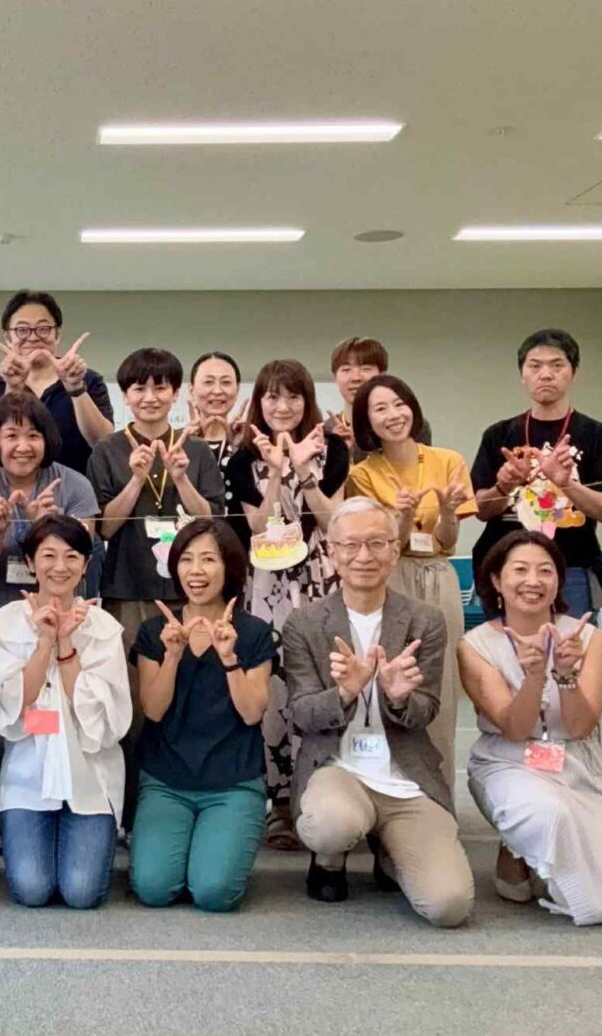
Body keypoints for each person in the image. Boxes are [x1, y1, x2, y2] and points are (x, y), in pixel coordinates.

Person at [282, 498, 473, 927]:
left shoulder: (425, 620)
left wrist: (399, 698)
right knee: (330, 824)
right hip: (337, 768)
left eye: (376, 543)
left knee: (448, 906)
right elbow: (300, 714)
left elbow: (427, 710)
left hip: (404, 775)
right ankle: (329, 860)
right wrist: (345, 693)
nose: (364, 556)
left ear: (394, 550)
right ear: (332, 552)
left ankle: (390, 850)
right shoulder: (305, 623)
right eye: (351, 545)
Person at [458, 530, 602, 926]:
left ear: (559, 580)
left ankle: (534, 855)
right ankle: (519, 845)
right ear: (496, 580)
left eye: (545, 571)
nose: (533, 581)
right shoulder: (474, 645)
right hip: (508, 760)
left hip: (573, 763)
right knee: (548, 814)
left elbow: (579, 726)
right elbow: (514, 727)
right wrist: (534, 676)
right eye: (520, 570)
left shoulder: (590, 639)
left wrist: (565, 674)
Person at [0, 393, 99, 846]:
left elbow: (74, 561)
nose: (22, 445)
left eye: (33, 434)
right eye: (11, 434)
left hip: (56, 619)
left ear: (47, 439)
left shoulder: (73, 485)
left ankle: (51, 810)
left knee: (48, 713)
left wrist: (41, 529)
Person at [223, 358, 350, 849]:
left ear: (307, 401)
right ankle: (278, 804)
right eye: (273, 396)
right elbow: (259, 527)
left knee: (320, 679)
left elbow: (332, 521)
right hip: (266, 583)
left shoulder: (332, 449)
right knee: (272, 686)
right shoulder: (242, 458)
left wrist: (303, 470)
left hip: (320, 579)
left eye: (293, 396)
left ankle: (319, 795)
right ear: (259, 401)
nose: (283, 405)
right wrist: (276, 473)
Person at [0, 515, 130, 908]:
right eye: (48, 555)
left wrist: (66, 646)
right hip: (27, 776)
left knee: (82, 892)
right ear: (31, 562)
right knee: (32, 890)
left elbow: (103, 723)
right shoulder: (4, 623)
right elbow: (11, 710)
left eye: (71, 556)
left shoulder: (104, 627)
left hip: (91, 778)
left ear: (86, 564)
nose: (59, 566)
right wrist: (44, 641)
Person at [129, 519, 276, 911]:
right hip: (166, 781)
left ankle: (215, 848)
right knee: (153, 889)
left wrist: (229, 658)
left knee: (214, 893)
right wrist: (172, 656)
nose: (196, 571)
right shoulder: (155, 631)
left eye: (209, 559)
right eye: (186, 559)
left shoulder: (253, 632)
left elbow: (252, 713)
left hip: (233, 783)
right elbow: (153, 710)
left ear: (229, 567)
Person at [344, 374, 474, 789]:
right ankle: (385, 787)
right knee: (387, 673)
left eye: (399, 404)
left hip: (438, 572)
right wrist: (401, 517)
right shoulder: (362, 474)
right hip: (391, 576)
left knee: (441, 679)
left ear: (413, 407)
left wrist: (447, 511)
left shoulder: (448, 460)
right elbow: (385, 546)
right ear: (367, 421)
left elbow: (448, 541)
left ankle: (439, 790)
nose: (393, 415)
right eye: (380, 409)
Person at [469, 329, 602, 620]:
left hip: (572, 567)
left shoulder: (597, 435)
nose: (546, 374)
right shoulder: (498, 434)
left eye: (557, 365)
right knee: (504, 647)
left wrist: (566, 484)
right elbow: (480, 510)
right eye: (535, 366)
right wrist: (503, 486)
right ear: (522, 375)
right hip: (504, 566)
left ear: (574, 372)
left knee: (569, 646)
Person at [89, 347, 224, 666]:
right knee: (133, 679)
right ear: (125, 396)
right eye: (139, 388)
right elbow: (104, 528)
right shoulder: (107, 449)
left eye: (160, 388)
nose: (150, 397)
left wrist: (181, 479)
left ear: (175, 394)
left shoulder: (196, 449)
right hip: (127, 586)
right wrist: (136, 480)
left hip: (190, 586)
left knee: (190, 675)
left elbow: (212, 521)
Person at [0, 290, 113, 474]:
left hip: (78, 489)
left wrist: (75, 388)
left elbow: (105, 445)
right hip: (17, 489)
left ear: (57, 334)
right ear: (8, 338)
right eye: (22, 330)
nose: (33, 337)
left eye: (43, 328)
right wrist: (14, 387)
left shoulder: (89, 380)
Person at [327, 336, 430, 458]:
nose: (356, 377)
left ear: (382, 375)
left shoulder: (405, 423)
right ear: (334, 377)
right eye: (346, 369)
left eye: (366, 368)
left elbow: (420, 466)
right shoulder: (326, 431)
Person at [185, 351, 249, 544]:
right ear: (191, 389)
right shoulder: (177, 444)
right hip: (190, 546)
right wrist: (192, 447)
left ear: (237, 389)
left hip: (241, 545)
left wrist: (241, 451)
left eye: (226, 382)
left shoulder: (249, 444)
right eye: (208, 382)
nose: (217, 390)